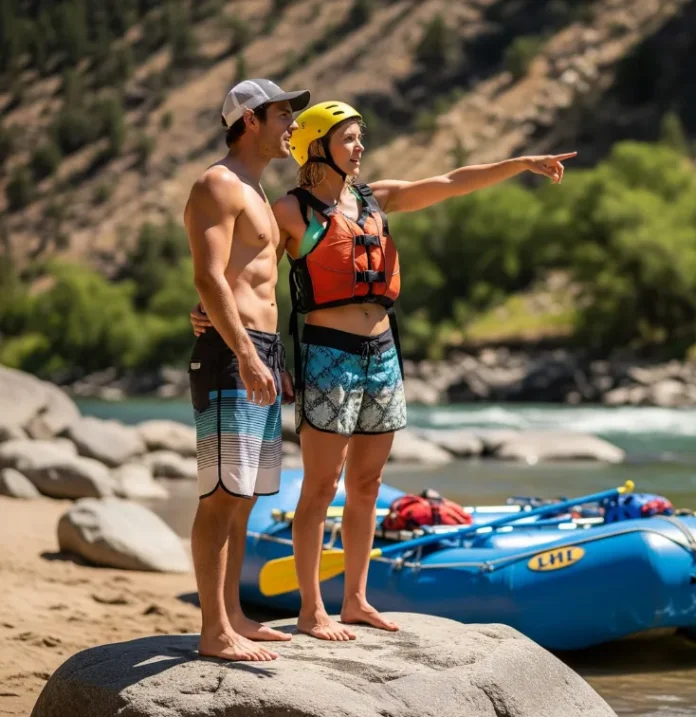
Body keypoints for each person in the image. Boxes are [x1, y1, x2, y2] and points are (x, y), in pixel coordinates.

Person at [191, 99, 575, 642]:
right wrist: (207, 309)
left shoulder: (376, 198)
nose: (360, 147)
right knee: (321, 488)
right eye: (349, 138)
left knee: (368, 484)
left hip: (383, 353)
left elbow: (451, 181)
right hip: (327, 354)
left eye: (360, 137)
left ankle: (354, 600)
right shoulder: (288, 211)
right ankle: (311, 610)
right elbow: (244, 267)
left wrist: (520, 163)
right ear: (318, 144)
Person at [182, 78, 310, 661]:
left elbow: (238, 280)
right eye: (284, 114)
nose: (292, 125)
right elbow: (209, 277)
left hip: (258, 348)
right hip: (235, 356)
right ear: (251, 120)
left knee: (246, 496)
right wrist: (244, 353)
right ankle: (213, 631)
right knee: (219, 494)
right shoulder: (218, 183)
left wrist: (264, 353)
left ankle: (233, 614)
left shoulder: (260, 192)